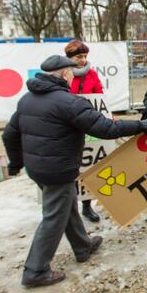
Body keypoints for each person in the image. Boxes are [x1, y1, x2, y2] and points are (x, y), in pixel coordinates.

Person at [2, 55, 147, 288]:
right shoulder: (68, 102)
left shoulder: (27, 100)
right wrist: (141, 126)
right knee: (54, 216)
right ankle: (35, 270)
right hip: (58, 169)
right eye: (72, 72)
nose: (74, 75)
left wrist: (16, 163)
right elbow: (106, 128)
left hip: (37, 168)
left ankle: (82, 245)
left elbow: (9, 134)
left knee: (65, 205)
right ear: (65, 74)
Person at [64, 39, 103, 223]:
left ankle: (87, 206)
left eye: (85, 56)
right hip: (68, 126)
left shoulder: (92, 75)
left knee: (89, 164)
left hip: (87, 124)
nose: (83, 59)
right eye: (79, 56)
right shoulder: (64, 75)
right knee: (71, 167)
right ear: (70, 57)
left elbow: (100, 97)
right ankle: (68, 207)